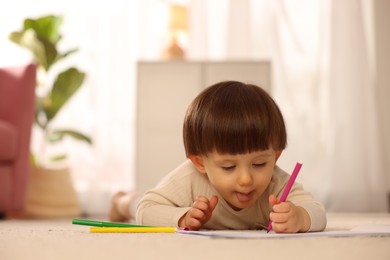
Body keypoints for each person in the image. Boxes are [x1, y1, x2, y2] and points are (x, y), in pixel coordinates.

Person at [109, 81, 327, 233]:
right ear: (199, 162)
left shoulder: (277, 184)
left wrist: (299, 217)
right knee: (134, 202)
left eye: (259, 163)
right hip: (169, 203)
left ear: (276, 156)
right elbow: (146, 209)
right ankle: (119, 201)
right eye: (229, 167)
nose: (246, 179)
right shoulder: (188, 178)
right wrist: (184, 217)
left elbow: (317, 210)